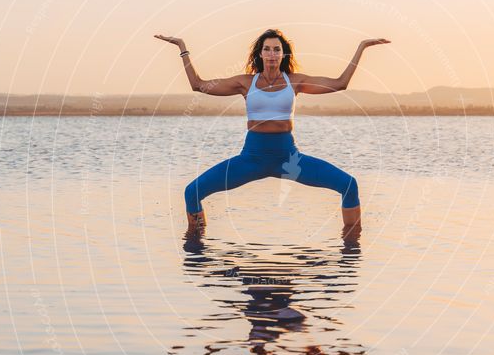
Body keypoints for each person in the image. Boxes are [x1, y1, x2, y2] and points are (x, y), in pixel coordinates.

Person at [154, 28, 390, 233]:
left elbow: (340, 83)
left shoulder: (294, 81)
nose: (272, 54)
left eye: (277, 49)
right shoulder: (245, 83)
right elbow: (198, 85)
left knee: (349, 185)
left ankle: (351, 251)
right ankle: (196, 247)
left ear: (283, 54)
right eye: (267, 49)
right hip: (251, 159)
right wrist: (182, 48)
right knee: (192, 192)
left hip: (289, 160)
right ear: (260, 53)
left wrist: (361, 48)